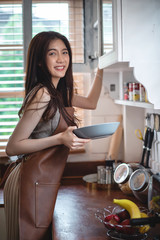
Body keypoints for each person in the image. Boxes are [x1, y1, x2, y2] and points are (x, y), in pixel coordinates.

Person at [4, 31, 103, 240]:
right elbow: (13, 147)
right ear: (40, 61)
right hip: (31, 180)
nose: (61, 59)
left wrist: (101, 68)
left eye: (65, 52)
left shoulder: (58, 92)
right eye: (52, 53)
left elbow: (92, 102)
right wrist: (60, 139)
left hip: (41, 179)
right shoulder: (43, 93)